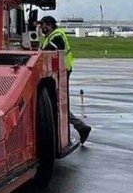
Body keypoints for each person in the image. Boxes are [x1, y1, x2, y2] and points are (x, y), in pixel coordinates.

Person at [38, 14, 92, 145]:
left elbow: (51, 51)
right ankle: (79, 126)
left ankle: (80, 126)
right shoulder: (50, 37)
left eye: (42, 25)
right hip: (57, 72)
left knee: (57, 103)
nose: (41, 27)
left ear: (49, 24)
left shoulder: (57, 35)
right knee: (56, 103)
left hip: (62, 72)